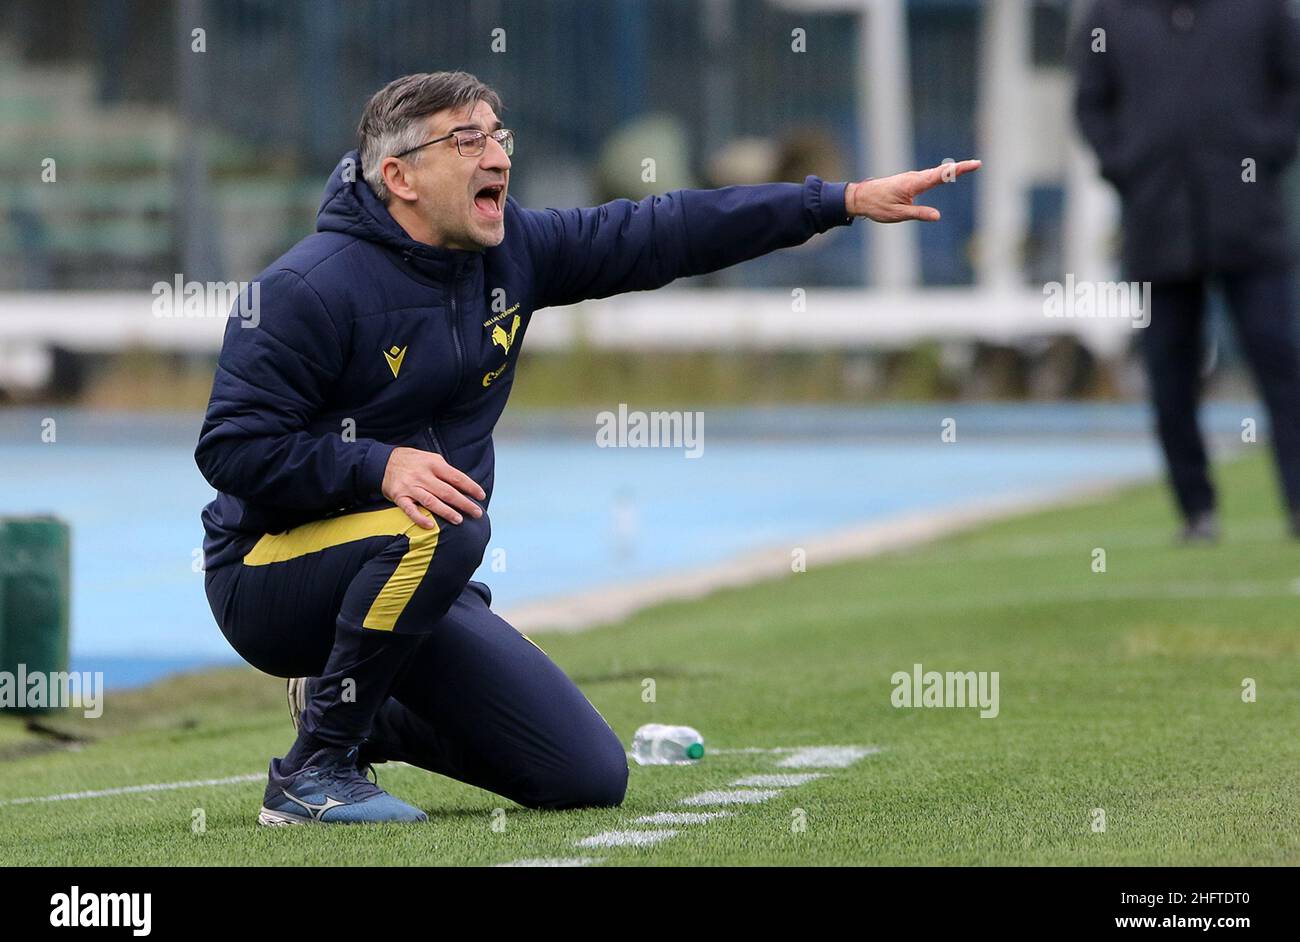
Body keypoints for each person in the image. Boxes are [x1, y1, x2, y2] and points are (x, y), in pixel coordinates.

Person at [196, 71, 980, 824]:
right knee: (445, 524)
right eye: (466, 140)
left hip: (420, 566)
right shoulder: (305, 289)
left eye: (499, 134)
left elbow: (665, 229)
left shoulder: (514, 253)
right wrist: (378, 464)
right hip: (269, 577)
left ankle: (363, 716)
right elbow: (231, 451)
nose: (498, 155)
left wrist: (834, 201)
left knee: (586, 777)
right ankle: (313, 772)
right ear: (400, 177)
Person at [1073, 0, 1300, 542]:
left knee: (1280, 361)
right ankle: (1196, 511)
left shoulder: (1261, 10)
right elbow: (1090, 106)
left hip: (1249, 221)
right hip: (1157, 224)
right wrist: (1127, 164)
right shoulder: (1111, 16)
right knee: (1169, 374)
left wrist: (1267, 148)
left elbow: (1292, 85)